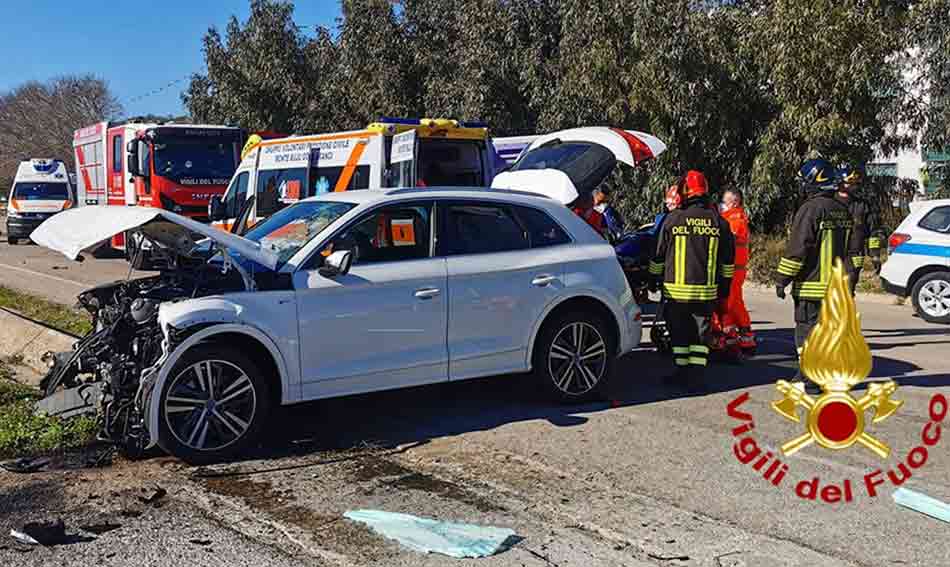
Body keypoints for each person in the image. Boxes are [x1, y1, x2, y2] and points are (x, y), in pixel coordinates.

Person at [776, 159, 859, 394]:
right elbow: (853, 249)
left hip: (812, 285)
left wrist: (782, 279)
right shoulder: (842, 210)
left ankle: (810, 378)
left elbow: (798, 249)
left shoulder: (811, 209)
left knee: (807, 331)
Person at [650, 171, 735, 391]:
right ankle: (696, 377)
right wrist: (725, 288)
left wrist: (653, 279)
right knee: (700, 335)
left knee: (679, 335)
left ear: (684, 192)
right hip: (705, 293)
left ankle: (681, 372)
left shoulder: (673, 219)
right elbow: (727, 261)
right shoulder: (719, 221)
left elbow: (658, 254)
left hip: (675, 293)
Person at [710, 188, 755, 354]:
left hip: (734, 269)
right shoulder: (729, 217)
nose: (723, 204)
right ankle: (734, 335)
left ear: (735, 202)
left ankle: (739, 335)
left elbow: (729, 238)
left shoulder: (736, 218)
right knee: (730, 302)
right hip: (734, 268)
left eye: (726, 201)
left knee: (731, 302)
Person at [837, 164, 882, 292]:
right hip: (830, 256)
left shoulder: (862, 206)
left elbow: (874, 231)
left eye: (856, 182)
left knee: (847, 292)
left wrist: (875, 256)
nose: (854, 185)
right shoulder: (828, 203)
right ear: (840, 183)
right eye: (850, 182)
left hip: (854, 257)